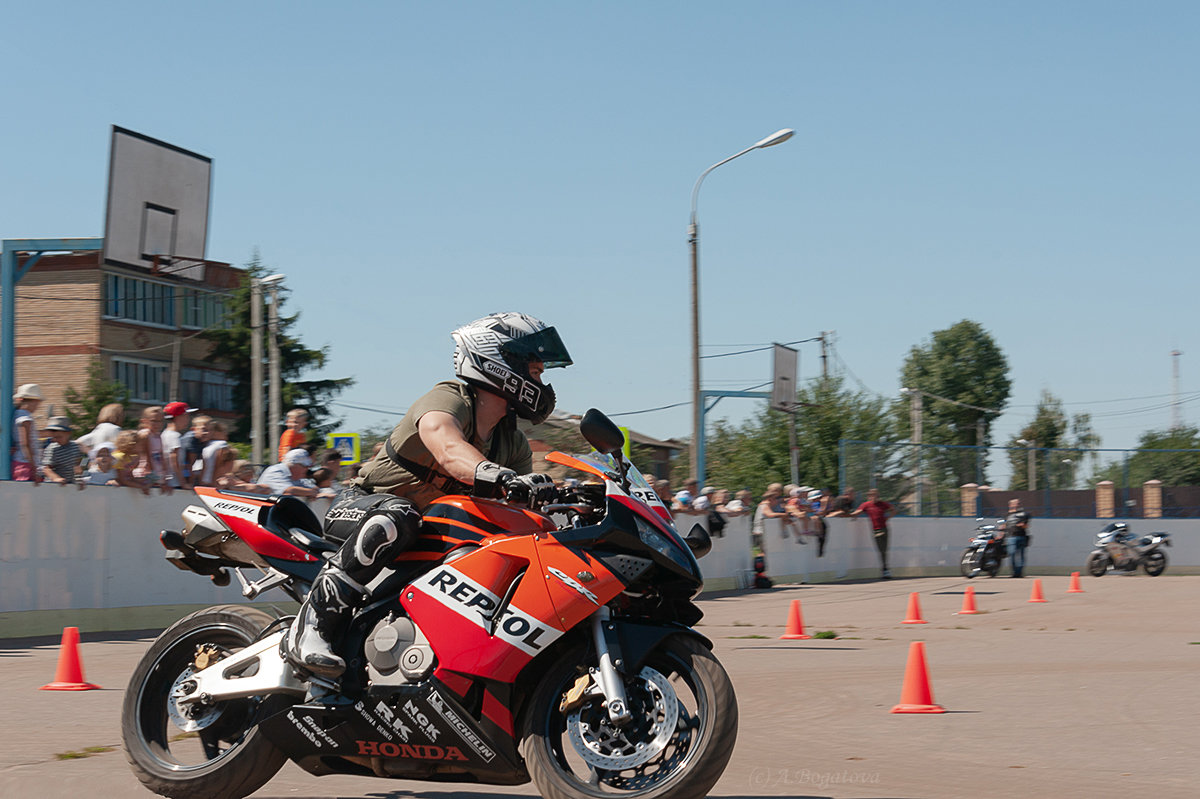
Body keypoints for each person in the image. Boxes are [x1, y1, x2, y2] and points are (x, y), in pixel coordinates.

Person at [285, 312, 571, 680]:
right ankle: (313, 626)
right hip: (361, 509)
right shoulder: (449, 399)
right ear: (501, 364)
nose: (541, 382)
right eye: (535, 370)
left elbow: (518, 510)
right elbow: (449, 449)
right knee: (399, 516)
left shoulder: (510, 441)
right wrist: (498, 475)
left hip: (426, 535)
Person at [851, 488, 894, 579]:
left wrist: (888, 517)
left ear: (877, 496)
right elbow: (858, 511)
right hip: (876, 530)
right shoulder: (866, 505)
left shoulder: (882, 504)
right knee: (880, 550)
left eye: (875, 495)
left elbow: (893, 510)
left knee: (884, 550)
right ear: (869, 496)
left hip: (884, 529)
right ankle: (885, 569)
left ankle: (885, 569)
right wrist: (850, 515)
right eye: (871, 495)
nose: (873, 497)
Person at [131, 406, 174, 494]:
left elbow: (161, 456)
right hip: (146, 472)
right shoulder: (145, 435)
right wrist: (154, 477)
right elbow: (146, 457)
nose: (157, 424)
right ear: (144, 421)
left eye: (160, 421)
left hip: (156, 471)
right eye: (154, 421)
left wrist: (164, 476)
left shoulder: (158, 435)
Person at [11, 384, 43, 482]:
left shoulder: (16, 415)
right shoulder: (25, 419)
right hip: (24, 463)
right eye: (36, 403)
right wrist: (33, 468)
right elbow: (25, 444)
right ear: (31, 401)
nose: (37, 406)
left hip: (20, 462)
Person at [162, 402, 197, 489]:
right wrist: (183, 483)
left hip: (171, 481)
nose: (188, 419)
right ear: (178, 417)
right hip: (175, 483)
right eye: (186, 416)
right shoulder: (174, 436)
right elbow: (175, 461)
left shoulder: (165, 434)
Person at [40, 417, 82, 485]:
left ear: (68, 433)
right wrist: (55, 478)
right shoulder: (52, 448)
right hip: (53, 484)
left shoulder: (74, 446)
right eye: (53, 437)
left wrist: (79, 479)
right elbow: (46, 468)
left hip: (69, 483)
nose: (56, 440)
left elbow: (76, 466)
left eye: (59, 437)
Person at [194, 420, 235, 487]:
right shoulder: (221, 445)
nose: (206, 433)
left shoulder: (209, 446)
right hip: (213, 484)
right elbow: (221, 466)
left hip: (205, 483)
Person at [753, 483, 792, 549]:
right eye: (775, 499)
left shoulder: (767, 505)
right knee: (766, 551)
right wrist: (785, 515)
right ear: (770, 499)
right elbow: (770, 514)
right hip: (762, 532)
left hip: (764, 531)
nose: (776, 501)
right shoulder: (765, 505)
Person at [112, 430, 149, 494]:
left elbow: (129, 475)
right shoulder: (119, 457)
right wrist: (141, 486)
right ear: (132, 445)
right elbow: (123, 479)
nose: (142, 446)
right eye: (140, 444)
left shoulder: (134, 457)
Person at [1004, 498, 1031, 578]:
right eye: (1016, 503)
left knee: (1021, 555)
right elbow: (1004, 525)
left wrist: (1022, 525)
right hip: (1010, 537)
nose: (1017, 505)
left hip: (1021, 536)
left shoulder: (1023, 514)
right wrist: (1001, 534)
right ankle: (1014, 572)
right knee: (1011, 554)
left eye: (1018, 503)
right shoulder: (1007, 515)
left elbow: (1026, 525)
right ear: (1010, 505)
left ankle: (1019, 573)